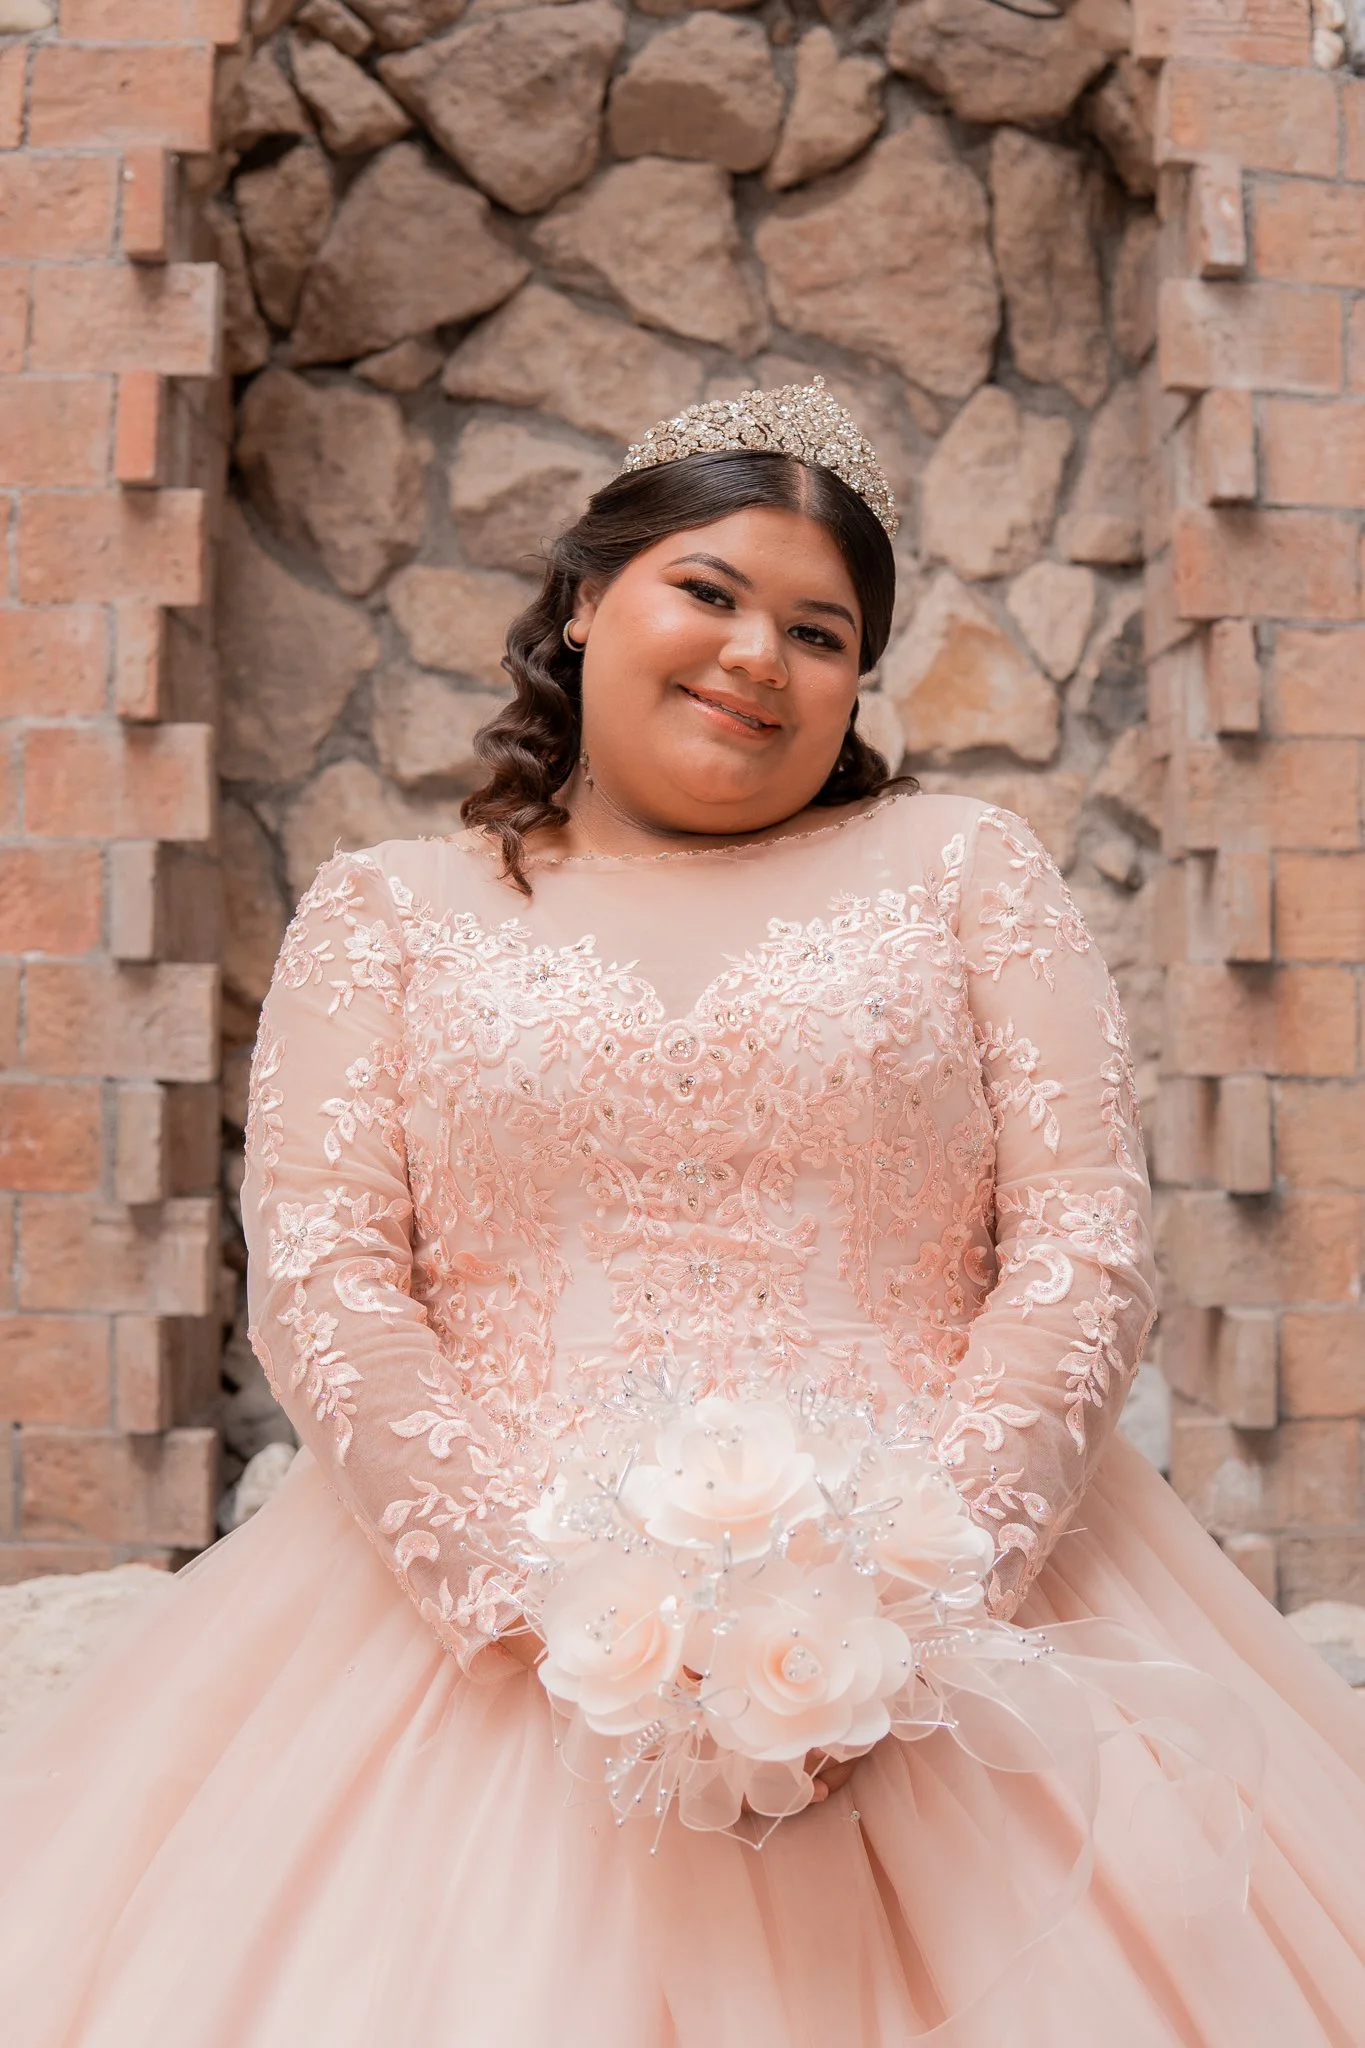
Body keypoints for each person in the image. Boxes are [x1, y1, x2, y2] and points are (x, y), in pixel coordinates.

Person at [1, 379, 1363, 2048]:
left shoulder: (965, 870)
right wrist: (547, 1606)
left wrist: (918, 1593)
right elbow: (329, 1285)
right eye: (708, 592)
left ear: (859, 679)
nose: (754, 657)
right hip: (480, 1653)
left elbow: (1085, 1247)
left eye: (819, 629)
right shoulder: (387, 918)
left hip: (960, 1623)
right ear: (587, 600)